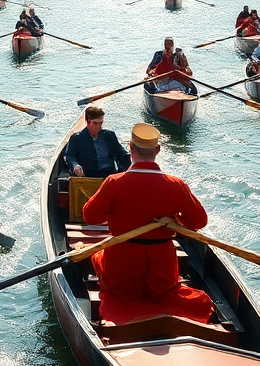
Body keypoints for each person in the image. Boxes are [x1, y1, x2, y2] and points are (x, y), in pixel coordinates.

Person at [77, 123, 214, 325]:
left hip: (122, 269)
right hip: (163, 271)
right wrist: (174, 221)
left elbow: (90, 217)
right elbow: (199, 222)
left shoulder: (114, 182)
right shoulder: (176, 184)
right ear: (157, 150)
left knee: (98, 256)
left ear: (130, 148)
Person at [63, 105, 130, 178]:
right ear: (88, 122)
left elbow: (121, 152)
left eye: (101, 123)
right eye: (95, 123)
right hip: (88, 175)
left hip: (109, 174)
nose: (99, 126)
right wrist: (75, 166)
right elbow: (69, 156)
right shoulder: (77, 138)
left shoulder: (109, 135)